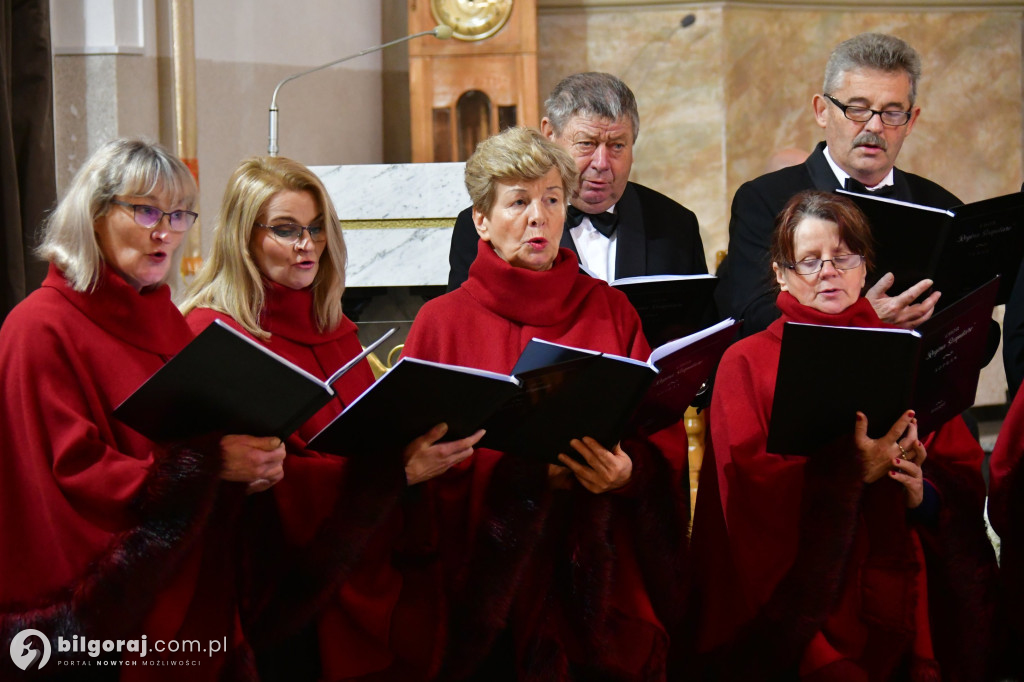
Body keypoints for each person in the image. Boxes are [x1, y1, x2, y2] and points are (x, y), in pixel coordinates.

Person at [180, 155, 484, 681]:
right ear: (241, 236)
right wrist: (394, 472)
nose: (308, 245)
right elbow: (256, 474)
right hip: (277, 587)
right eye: (286, 229)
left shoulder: (333, 324)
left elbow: (368, 434)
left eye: (317, 228)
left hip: (368, 554)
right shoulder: (213, 332)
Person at [404, 126, 690, 680]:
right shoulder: (442, 322)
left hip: (598, 573)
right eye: (518, 201)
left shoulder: (611, 310)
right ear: (481, 221)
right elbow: (418, 458)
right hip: (483, 581)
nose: (539, 216)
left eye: (553, 199)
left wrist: (629, 472)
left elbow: (659, 428)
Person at [0, 138, 287, 678]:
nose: (166, 232)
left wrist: (248, 465)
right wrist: (205, 467)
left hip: (191, 589)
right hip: (102, 618)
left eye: (179, 214)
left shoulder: (165, 321)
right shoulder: (38, 326)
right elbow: (68, 473)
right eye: (147, 210)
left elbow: (194, 434)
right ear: (94, 214)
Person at [693, 190, 998, 680]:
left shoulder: (904, 349)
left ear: (864, 266)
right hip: (798, 605)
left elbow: (957, 473)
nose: (828, 272)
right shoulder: (746, 359)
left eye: (842, 257)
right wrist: (851, 474)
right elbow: (746, 493)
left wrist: (921, 492)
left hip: (904, 585)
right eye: (808, 261)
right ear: (780, 272)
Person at [716, 33, 961, 339]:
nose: (874, 126)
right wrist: (864, 319)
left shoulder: (944, 207)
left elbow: (981, 334)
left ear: (911, 121)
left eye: (892, 113)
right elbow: (751, 317)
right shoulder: (764, 199)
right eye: (857, 109)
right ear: (822, 111)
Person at [447, 71, 706, 290]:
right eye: (586, 144)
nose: (602, 163)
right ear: (549, 135)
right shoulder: (486, 228)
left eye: (617, 146)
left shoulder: (676, 226)